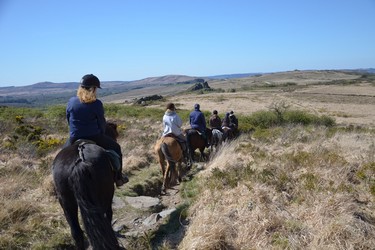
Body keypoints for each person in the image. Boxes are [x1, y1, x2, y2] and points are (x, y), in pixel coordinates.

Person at [65, 74, 127, 187]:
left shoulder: (71, 101)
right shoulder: (96, 104)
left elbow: (68, 119)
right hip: (94, 136)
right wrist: (102, 133)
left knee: (61, 156)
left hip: (74, 137)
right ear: (93, 89)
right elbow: (101, 123)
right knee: (116, 148)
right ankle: (119, 177)